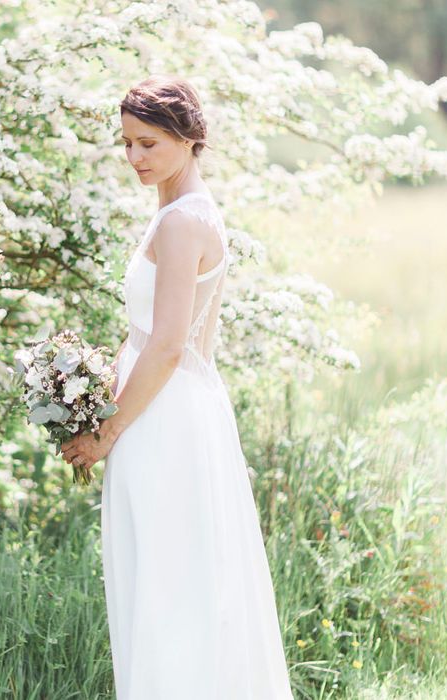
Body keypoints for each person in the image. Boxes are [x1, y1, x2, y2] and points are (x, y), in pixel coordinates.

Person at [60, 75, 295, 699]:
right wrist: (89, 395)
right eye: (127, 144)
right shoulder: (178, 212)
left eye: (148, 144)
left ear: (189, 139)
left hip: (161, 419)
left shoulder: (181, 222)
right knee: (166, 582)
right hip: (169, 410)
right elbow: (164, 340)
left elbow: (168, 346)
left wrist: (108, 432)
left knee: (169, 589)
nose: (134, 157)